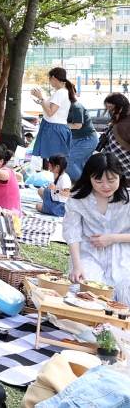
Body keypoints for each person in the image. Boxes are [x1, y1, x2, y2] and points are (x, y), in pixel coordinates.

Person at [64, 152, 130, 305]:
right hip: (90, 255)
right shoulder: (77, 199)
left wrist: (112, 238)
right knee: (86, 296)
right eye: (98, 181)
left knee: (126, 296)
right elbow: (72, 233)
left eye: (112, 180)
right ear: (89, 178)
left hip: (123, 257)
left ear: (120, 177)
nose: (106, 186)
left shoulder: (128, 199)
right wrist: (77, 266)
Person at [31, 67, 75, 162]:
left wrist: (41, 98)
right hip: (59, 127)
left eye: (49, 79)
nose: (50, 82)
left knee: (53, 160)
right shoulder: (65, 92)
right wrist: (41, 101)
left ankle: (53, 176)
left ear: (53, 78)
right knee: (57, 159)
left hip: (53, 128)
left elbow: (50, 112)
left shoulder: (59, 93)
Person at [66, 96, 98, 180]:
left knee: (69, 161)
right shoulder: (67, 107)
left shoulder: (76, 107)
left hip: (86, 139)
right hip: (79, 139)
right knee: (79, 165)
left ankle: (82, 185)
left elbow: (78, 125)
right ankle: (84, 186)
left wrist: (61, 125)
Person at [98, 93, 130, 174]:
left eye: (111, 107)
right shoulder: (115, 120)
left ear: (121, 106)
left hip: (126, 169)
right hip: (113, 167)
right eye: (108, 107)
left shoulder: (126, 122)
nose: (109, 110)